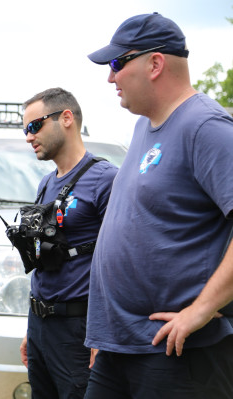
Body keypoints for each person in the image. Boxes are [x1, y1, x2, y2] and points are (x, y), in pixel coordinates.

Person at [85, 13, 233, 398]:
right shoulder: (143, 127)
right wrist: (105, 331)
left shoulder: (206, 127)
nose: (110, 77)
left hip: (176, 352)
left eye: (117, 63)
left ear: (155, 63)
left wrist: (200, 310)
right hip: (122, 347)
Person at [16, 88, 118, 398]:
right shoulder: (46, 182)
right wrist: (30, 329)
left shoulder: (106, 179)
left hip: (79, 329)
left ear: (66, 118)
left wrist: (103, 336)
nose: (29, 137)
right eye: (25, 130)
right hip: (40, 325)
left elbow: (117, 263)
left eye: (35, 126)